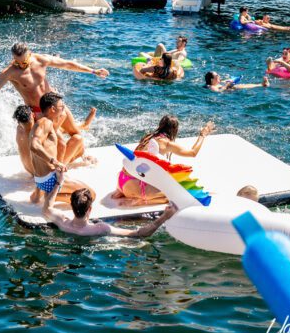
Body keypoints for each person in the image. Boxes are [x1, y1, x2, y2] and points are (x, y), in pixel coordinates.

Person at [0, 43, 108, 163]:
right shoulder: (11, 72)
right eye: (17, 61)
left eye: (24, 61)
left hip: (56, 105)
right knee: (56, 143)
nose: (21, 65)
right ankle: (54, 168)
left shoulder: (41, 60)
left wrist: (93, 71)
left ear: (29, 54)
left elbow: (67, 64)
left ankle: (81, 155)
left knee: (76, 134)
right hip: (39, 112)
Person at [112, 116, 215, 205]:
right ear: (174, 130)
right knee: (175, 195)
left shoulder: (148, 137)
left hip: (121, 179)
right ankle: (137, 201)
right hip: (133, 187)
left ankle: (122, 192)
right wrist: (202, 135)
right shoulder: (167, 143)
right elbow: (193, 153)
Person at [44, 180, 178, 237]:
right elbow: (139, 234)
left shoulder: (62, 222)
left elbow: (47, 208)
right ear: (90, 209)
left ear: (71, 206)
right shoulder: (100, 228)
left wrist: (59, 182)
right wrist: (165, 217)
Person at [29, 92, 96, 202]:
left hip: (41, 179)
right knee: (91, 195)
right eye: (62, 107)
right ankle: (49, 196)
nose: (64, 109)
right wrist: (55, 162)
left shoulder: (45, 124)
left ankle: (42, 194)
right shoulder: (45, 123)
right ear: (52, 109)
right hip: (50, 179)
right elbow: (34, 145)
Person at [204, 71, 269, 91]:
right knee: (239, 87)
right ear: (212, 80)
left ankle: (261, 84)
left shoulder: (216, 83)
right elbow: (218, 91)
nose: (219, 76)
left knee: (241, 86)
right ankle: (261, 84)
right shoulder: (211, 87)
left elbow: (223, 82)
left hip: (229, 90)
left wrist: (230, 80)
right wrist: (227, 85)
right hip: (228, 93)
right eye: (217, 75)